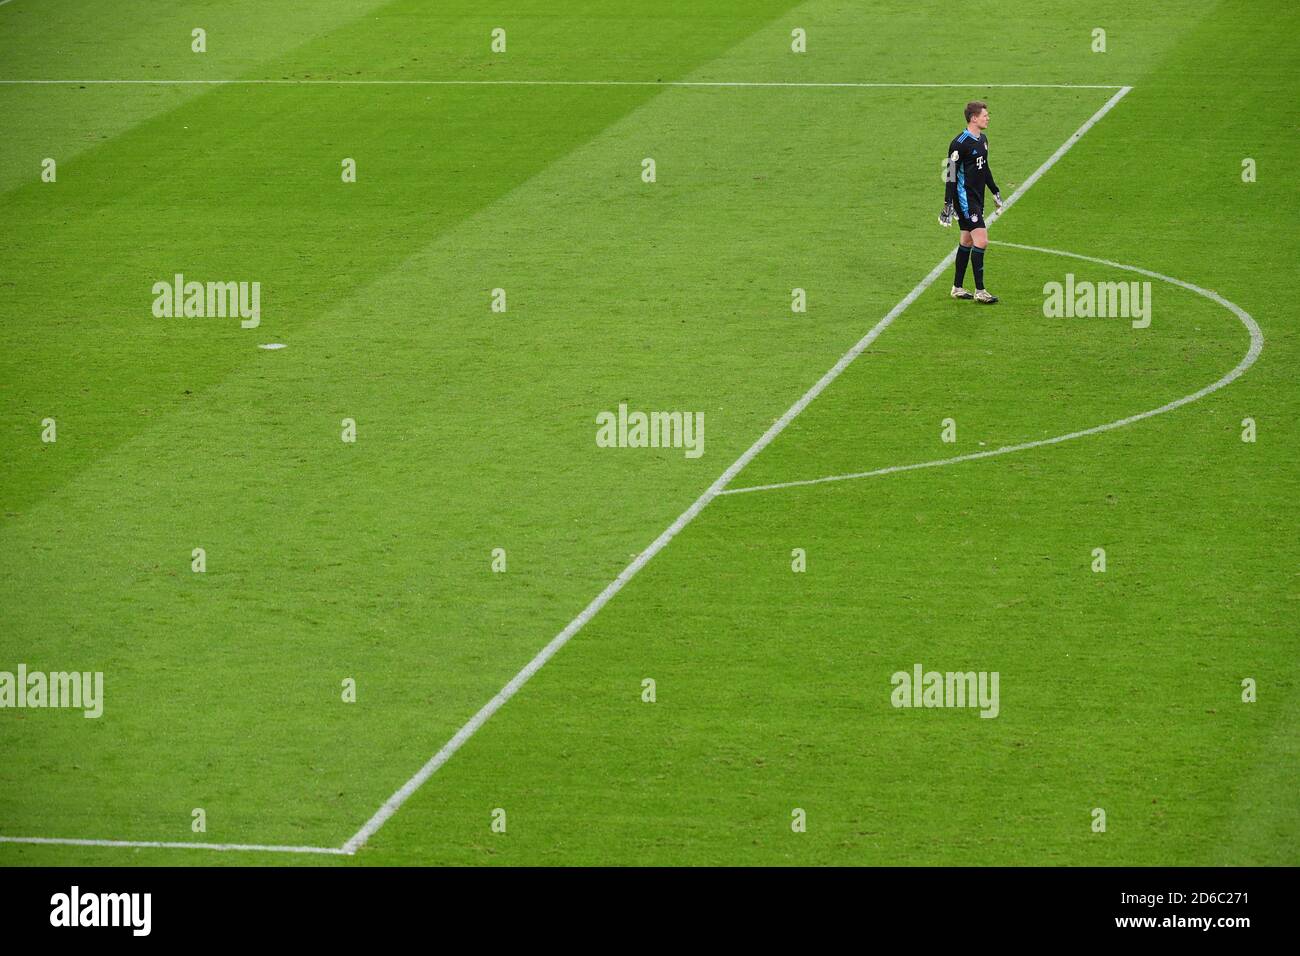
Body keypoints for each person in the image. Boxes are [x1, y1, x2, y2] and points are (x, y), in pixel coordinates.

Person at [939, 101, 1002, 303]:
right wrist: (948, 204)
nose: (988, 117)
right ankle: (980, 290)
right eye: (985, 115)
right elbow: (950, 175)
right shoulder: (959, 143)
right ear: (973, 118)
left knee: (966, 241)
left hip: (977, 197)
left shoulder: (982, 140)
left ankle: (957, 287)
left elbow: (985, 169)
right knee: (981, 241)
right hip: (965, 200)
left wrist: (995, 191)